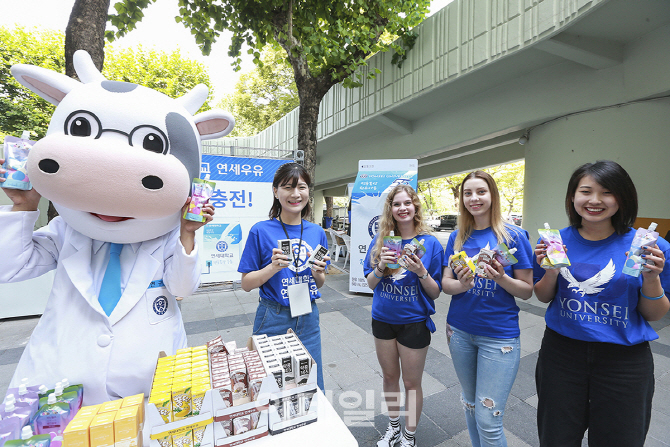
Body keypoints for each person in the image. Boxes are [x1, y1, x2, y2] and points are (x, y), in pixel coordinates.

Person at [533, 160, 670, 447]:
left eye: (607, 192)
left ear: (622, 198)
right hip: (562, 356)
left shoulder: (649, 247)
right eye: (586, 191)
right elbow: (544, 296)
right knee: (556, 438)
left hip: (624, 362)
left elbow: (654, 314)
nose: (595, 200)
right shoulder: (556, 241)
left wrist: (652, 278)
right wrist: (550, 269)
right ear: (573, 197)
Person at [441, 171, 533, 447]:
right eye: (467, 193)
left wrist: (500, 277)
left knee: (489, 418)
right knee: (470, 405)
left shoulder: (514, 236)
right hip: (459, 332)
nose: (474, 198)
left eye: (481, 191)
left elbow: (527, 290)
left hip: (499, 337)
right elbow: (446, 283)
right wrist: (464, 285)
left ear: (493, 195)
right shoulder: (458, 237)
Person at [238, 162, 329, 390]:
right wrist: (273, 268)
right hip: (273, 317)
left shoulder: (317, 232)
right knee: (273, 387)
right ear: (276, 191)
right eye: (288, 187)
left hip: (308, 317)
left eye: (302, 187)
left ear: (308, 191)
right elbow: (246, 284)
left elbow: (319, 282)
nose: (295, 194)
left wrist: (318, 272)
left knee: (310, 386)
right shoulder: (261, 230)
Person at [364, 184, 442, 447]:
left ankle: (409, 435)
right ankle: (394, 428)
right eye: (397, 204)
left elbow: (435, 292)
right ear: (391, 209)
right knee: (389, 377)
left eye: (407, 203)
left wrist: (421, 272)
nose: (402, 208)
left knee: (411, 382)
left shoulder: (429, 244)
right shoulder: (381, 242)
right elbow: (370, 283)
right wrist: (381, 266)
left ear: (415, 206)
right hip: (383, 320)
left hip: (414, 323)